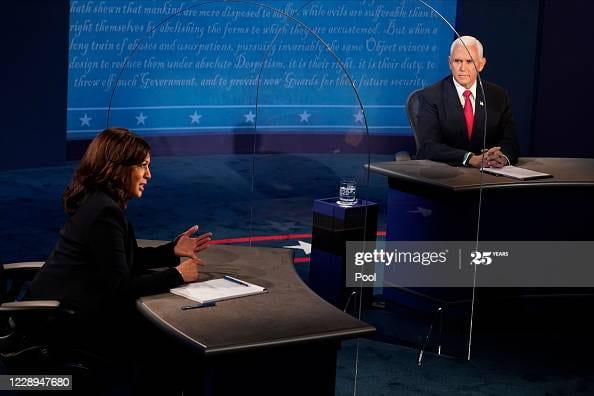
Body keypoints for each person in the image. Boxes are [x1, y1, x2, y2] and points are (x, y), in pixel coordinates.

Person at [29, 127, 212, 393]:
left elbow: (123, 259)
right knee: (170, 346)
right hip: (65, 323)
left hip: (65, 310)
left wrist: (171, 251)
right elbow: (119, 288)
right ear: (118, 167)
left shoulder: (98, 202)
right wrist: (178, 275)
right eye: (143, 166)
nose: (149, 175)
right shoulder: (104, 212)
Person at [414, 36, 519, 168]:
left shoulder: (498, 96)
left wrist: (501, 157)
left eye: (469, 61)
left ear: (481, 64)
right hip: (447, 171)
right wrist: (469, 158)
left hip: (489, 173)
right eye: (458, 61)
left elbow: (511, 141)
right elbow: (428, 146)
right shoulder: (431, 96)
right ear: (449, 63)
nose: (462, 68)